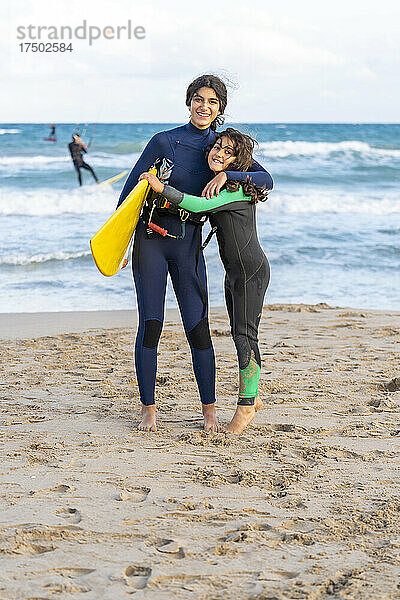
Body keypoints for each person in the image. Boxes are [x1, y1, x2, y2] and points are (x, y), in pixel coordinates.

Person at [117, 75, 269, 433]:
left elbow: (266, 181)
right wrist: (120, 244)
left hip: (188, 241)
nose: (204, 106)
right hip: (151, 238)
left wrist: (229, 172)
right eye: (198, 99)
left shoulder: (221, 149)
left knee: (198, 327)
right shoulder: (165, 141)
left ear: (220, 109)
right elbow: (127, 195)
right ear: (189, 102)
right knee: (150, 324)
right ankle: (148, 410)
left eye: (212, 102)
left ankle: (210, 413)